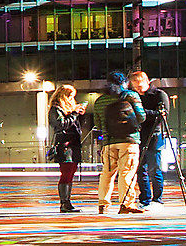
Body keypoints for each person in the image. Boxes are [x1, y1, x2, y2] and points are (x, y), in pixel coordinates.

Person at [90, 73, 146, 215]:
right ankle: (126, 204)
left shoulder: (100, 101)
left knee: (107, 174)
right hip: (129, 141)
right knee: (126, 173)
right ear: (124, 83)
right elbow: (141, 117)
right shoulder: (131, 96)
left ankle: (103, 204)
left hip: (108, 143)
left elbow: (98, 124)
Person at [46, 85, 87, 214]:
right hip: (65, 145)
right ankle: (64, 203)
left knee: (70, 172)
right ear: (64, 96)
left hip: (72, 144)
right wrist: (74, 113)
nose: (72, 99)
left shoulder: (65, 110)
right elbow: (61, 125)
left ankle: (67, 202)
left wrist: (78, 114)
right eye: (70, 96)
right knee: (67, 172)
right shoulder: (56, 109)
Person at [133, 69, 171, 209]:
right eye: (135, 85)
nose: (137, 88)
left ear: (146, 81)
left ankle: (157, 198)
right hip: (139, 135)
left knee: (155, 168)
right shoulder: (135, 96)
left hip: (154, 135)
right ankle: (144, 198)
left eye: (139, 84)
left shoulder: (159, 94)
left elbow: (162, 115)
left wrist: (142, 112)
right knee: (140, 169)